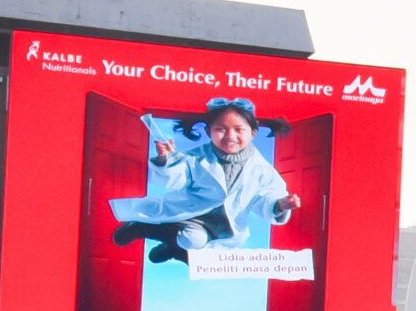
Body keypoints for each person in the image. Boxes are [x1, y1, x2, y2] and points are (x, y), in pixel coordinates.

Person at [107, 98, 302, 265]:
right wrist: (165, 160)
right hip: (190, 213)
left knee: (196, 244)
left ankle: (173, 249)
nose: (230, 136)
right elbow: (177, 176)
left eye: (238, 129)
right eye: (221, 129)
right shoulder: (197, 157)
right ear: (209, 131)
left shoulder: (261, 169)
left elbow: (266, 196)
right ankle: (141, 228)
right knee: (193, 240)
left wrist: (280, 205)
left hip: (224, 223)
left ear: (253, 132)